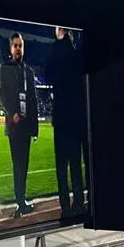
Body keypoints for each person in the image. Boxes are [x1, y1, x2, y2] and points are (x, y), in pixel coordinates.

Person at [45, 27, 88, 217]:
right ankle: (78, 204)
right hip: (76, 119)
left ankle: (66, 208)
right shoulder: (76, 53)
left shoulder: (58, 53)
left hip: (62, 120)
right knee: (76, 167)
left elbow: (48, 75)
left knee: (62, 169)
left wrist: (59, 42)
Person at [0, 32, 38, 218]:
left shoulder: (29, 71)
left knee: (25, 164)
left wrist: (35, 128)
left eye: (20, 45)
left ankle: (22, 199)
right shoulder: (5, 68)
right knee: (18, 165)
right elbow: (1, 94)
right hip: (14, 125)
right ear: (11, 48)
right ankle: (20, 201)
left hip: (26, 126)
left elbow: (33, 100)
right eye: (15, 45)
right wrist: (11, 112)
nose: (18, 49)